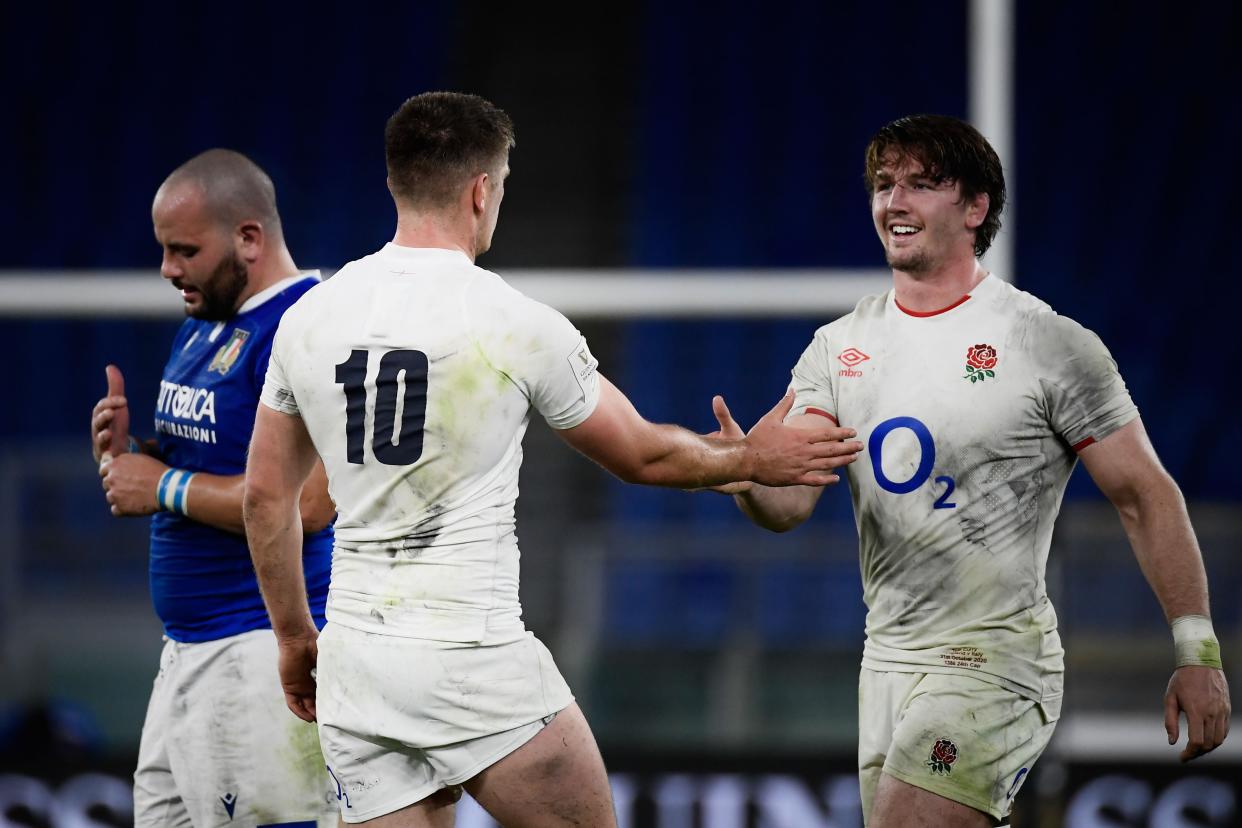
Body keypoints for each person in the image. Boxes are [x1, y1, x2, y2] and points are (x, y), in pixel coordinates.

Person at [242, 91, 862, 828]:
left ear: (393, 182)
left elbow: (267, 499)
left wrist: (293, 638)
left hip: (355, 658)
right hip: (469, 654)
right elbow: (642, 456)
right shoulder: (512, 322)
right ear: (482, 191)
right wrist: (751, 458)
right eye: (500, 186)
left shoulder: (311, 317)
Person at [709, 113, 1231, 826]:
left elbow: (1145, 494)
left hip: (996, 660)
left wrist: (1197, 650)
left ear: (976, 207)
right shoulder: (839, 347)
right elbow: (790, 503)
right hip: (887, 663)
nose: (895, 203)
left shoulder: (1047, 343)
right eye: (885, 185)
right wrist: (747, 476)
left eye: (922, 185)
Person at [90, 149, 339, 826]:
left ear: (249, 238)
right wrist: (131, 457)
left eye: (184, 250)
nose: (168, 269)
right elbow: (203, 467)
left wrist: (162, 486)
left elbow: (310, 503)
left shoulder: (305, 327)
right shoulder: (204, 327)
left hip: (256, 653)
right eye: (164, 250)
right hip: (187, 653)